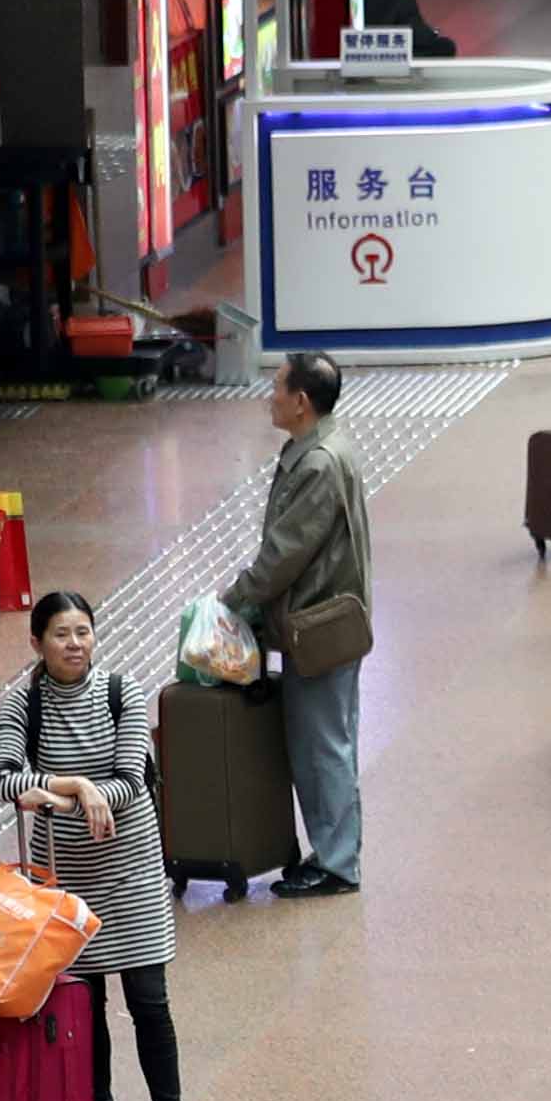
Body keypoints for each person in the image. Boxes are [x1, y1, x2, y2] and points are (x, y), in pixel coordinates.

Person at [0, 594, 203, 1101]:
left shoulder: (120, 693)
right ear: (36, 643)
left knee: (151, 1003)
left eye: (83, 632)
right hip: (67, 879)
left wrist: (60, 795)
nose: (74, 644)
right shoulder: (23, 703)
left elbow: (130, 781)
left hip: (130, 873)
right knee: (87, 1004)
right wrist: (77, 784)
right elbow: (3, 780)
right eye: (60, 634)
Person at [209, 352, 372, 896]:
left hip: (320, 627)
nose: (270, 394)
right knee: (325, 740)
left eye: (278, 386)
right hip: (320, 618)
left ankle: (336, 862)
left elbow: (285, 553)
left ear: (301, 401)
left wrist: (232, 602)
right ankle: (331, 852)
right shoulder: (318, 447)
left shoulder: (320, 462)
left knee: (323, 744)